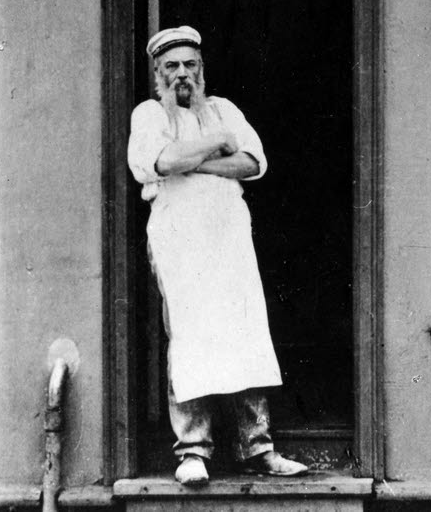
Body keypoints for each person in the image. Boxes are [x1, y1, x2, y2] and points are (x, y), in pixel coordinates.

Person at [127, 26, 308, 485]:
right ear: (157, 74)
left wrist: (195, 159)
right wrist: (215, 146)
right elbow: (161, 161)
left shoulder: (224, 109)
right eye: (172, 67)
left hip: (228, 238)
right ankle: (193, 451)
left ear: (202, 70)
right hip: (178, 237)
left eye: (190, 65)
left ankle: (257, 447)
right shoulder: (149, 115)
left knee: (244, 333)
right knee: (190, 336)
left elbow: (253, 162)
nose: (182, 74)